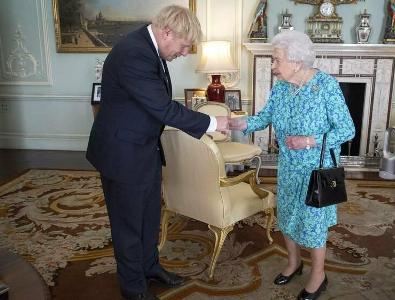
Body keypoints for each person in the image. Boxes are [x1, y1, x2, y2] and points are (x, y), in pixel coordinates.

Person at [86, 5, 228, 300]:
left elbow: (154, 104)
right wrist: (213, 122)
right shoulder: (134, 53)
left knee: (149, 216)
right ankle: (133, 287)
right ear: (167, 33)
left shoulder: (150, 48)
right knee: (128, 224)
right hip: (122, 154)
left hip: (143, 148)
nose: (185, 52)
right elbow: (163, 108)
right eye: (184, 45)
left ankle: (150, 268)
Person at [230, 30, 355, 300]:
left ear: (296, 61)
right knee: (287, 217)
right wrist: (242, 123)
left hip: (316, 169)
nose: (273, 66)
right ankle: (293, 263)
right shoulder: (282, 89)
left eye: (277, 60)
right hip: (288, 167)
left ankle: (318, 275)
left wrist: (309, 140)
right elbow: (264, 117)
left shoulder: (325, 87)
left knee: (313, 223)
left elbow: (347, 130)